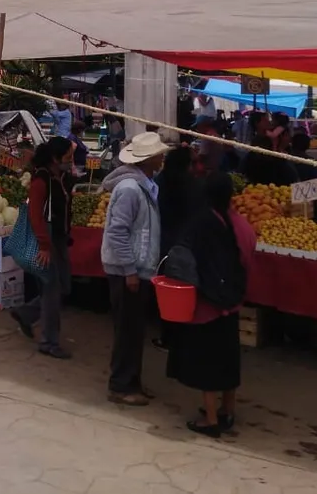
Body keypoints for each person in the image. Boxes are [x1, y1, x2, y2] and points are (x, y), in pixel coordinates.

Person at [165, 171, 257, 438]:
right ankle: (228, 410)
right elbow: (249, 258)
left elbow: (184, 261)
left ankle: (211, 419)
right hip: (232, 301)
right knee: (229, 357)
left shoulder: (201, 223)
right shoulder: (242, 225)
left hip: (207, 303)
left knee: (207, 360)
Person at [100, 132, 170, 405]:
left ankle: (133, 381)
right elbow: (118, 232)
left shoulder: (145, 184)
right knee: (127, 331)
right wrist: (129, 269)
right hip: (126, 271)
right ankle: (120, 385)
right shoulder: (129, 189)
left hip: (140, 269)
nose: (163, 158)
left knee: (134, 330)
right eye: (159, 154)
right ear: (149, 159)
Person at [10, 136, 74, 359]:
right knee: (52, 292)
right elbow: (35, 215)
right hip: (46, 243)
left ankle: (25, 313)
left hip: (59, 239)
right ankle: (49, 342)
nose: (71, 160)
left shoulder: (61, 177)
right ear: (55, 159)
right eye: (67, 157)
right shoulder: (41, 180)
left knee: (63, 286)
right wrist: (44, 246)